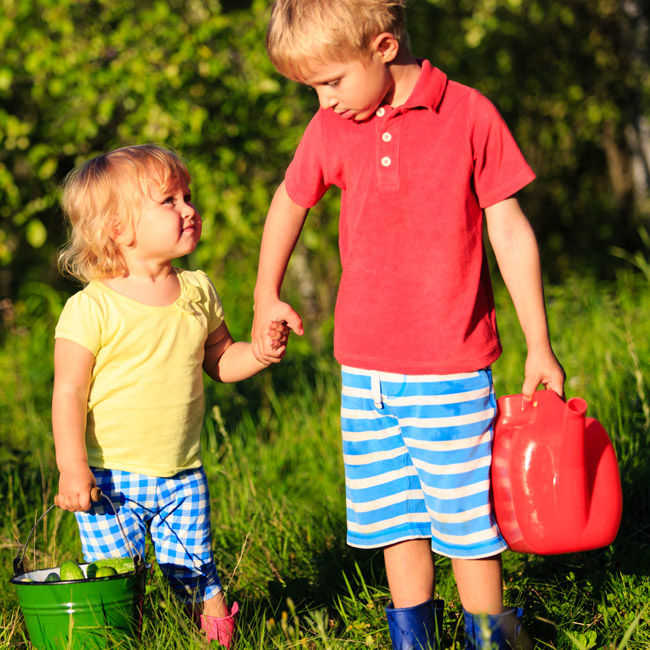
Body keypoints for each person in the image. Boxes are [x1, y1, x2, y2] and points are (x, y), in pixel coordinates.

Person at [251, 1, 565, 648]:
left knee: (468, 527)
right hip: (364, 372)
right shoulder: (334, 126)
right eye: (310, 88)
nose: (322, 102)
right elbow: (289, 198)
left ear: (384, 46)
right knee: (397, 521)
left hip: (447, 370)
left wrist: (540, 344)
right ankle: (413, 640)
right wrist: (265, 293)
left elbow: (508, 227)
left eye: (330, 81)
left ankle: (494, 641)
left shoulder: (470, 114)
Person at [52, 144, 289, 648]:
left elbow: (221, 360)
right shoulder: (90, 307)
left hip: (183, 472)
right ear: (118, 228)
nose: (188, 209)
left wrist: (261, 354)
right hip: (111, 478)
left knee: (198, 573)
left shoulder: (197, 290)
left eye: (188, 196)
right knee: (117, 580)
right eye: (169, 200)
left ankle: (221, 640)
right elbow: (69, 392)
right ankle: (123, 639)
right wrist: (73, 469)